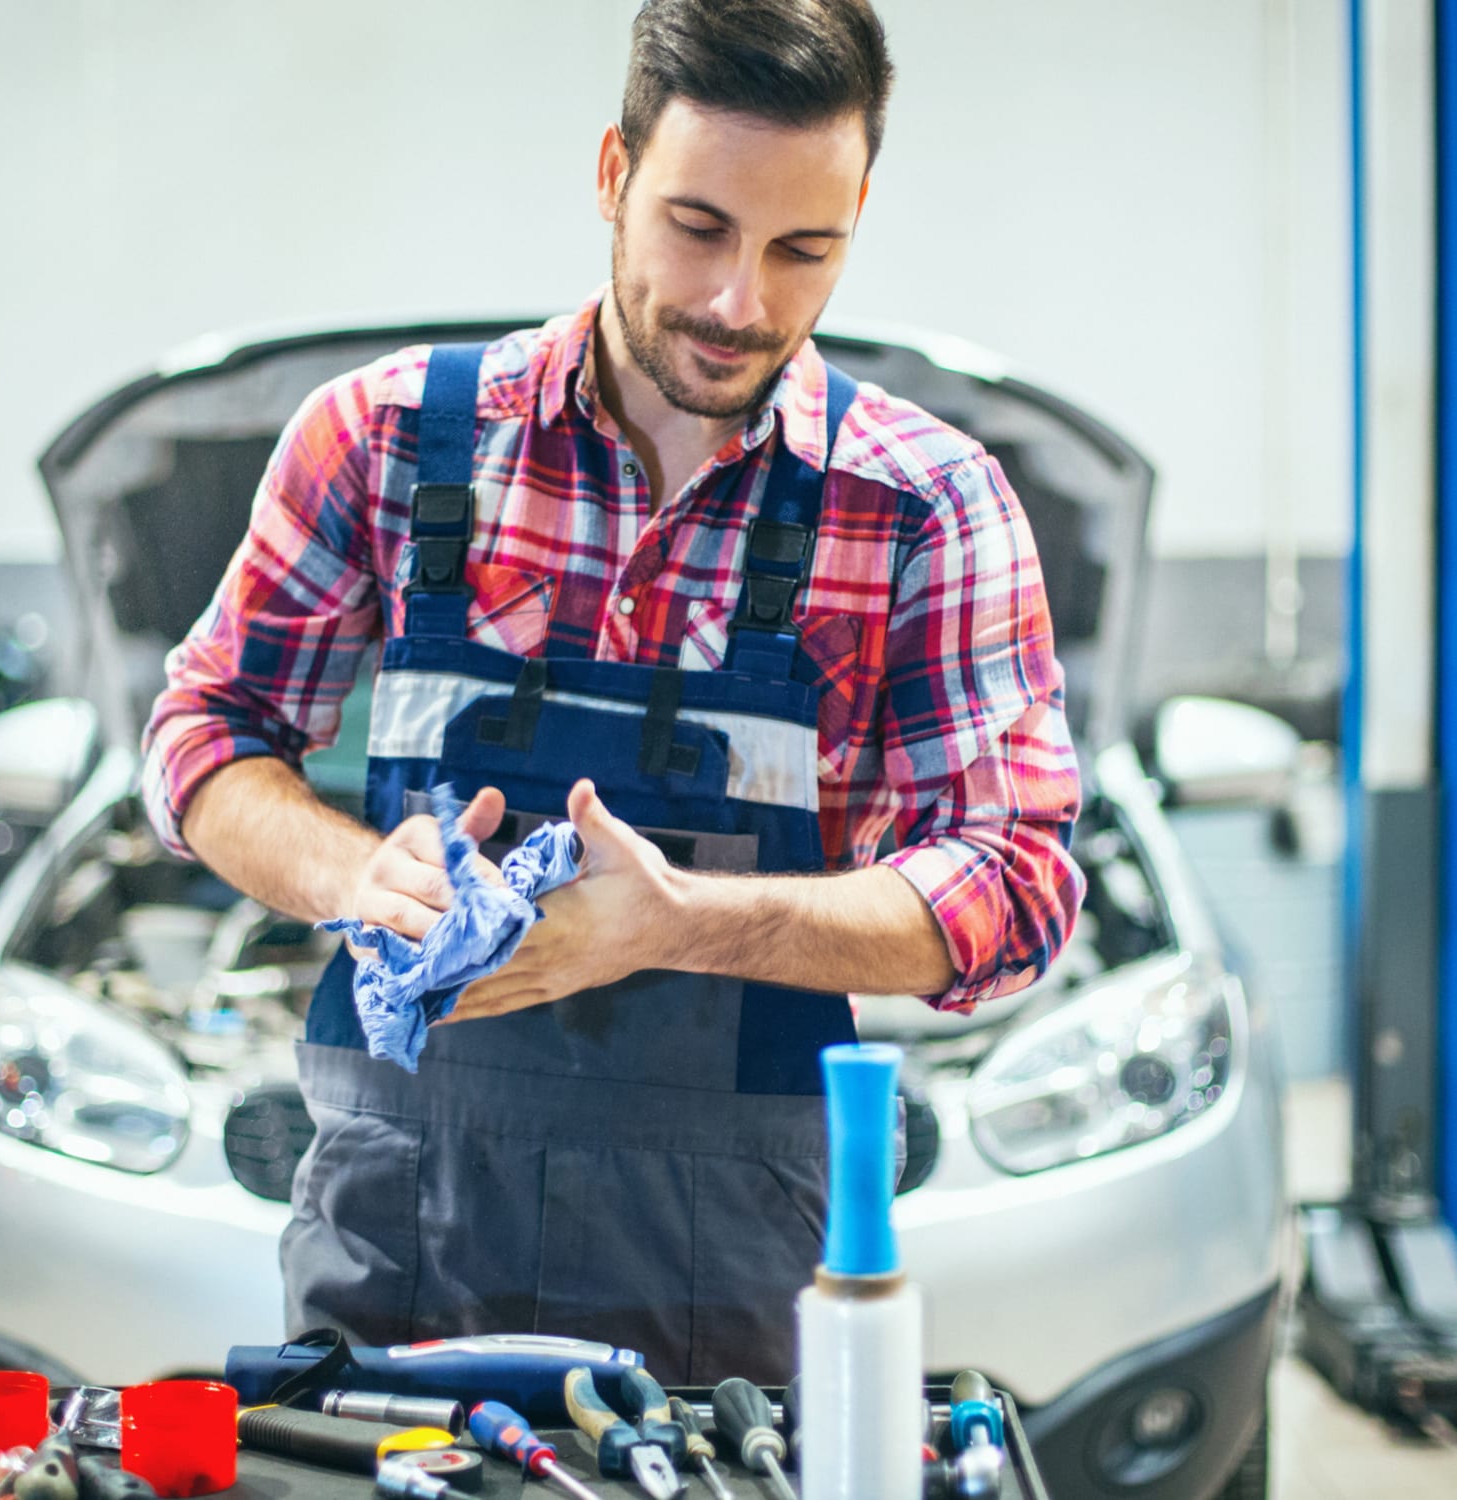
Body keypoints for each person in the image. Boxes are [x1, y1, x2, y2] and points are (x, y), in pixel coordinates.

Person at [142, 0, 1084, 1384]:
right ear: (612, 173)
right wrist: (355, 878)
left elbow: (1017, 889)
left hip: (732, 1308)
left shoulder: (925, 510)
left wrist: (693, 923)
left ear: (860, 210)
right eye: (697, 227)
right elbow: (202, 734)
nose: (738, 304)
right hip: (399, 1259)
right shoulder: (388, 441)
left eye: (804, 248)